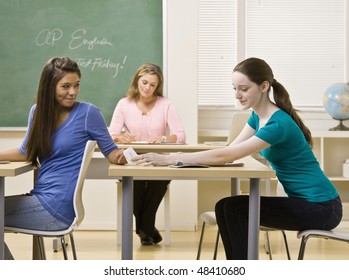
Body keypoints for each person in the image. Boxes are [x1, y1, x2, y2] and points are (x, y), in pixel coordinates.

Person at [131, 57, 342, 259]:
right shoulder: (257, 117)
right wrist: (181, 158)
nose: (237, 95)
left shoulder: (278, 124)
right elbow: (231, 149)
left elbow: (226, 155)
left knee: (234, 208)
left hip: (322, 208)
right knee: (224, 206)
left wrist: (170, 159)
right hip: (307, 203)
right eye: (235, 88)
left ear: (264, 86)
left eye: (244, 89)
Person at [0, 57, 126, 259]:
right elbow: (25, 151)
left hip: (56, 208)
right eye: (66, 86)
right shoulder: (38, 112)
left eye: (76, 85)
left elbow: (111, 152)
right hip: (40, 198)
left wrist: (122, 156)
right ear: (49, 87)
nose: (73, 92)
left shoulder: (88, 113)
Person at [109, 63, 186, 245]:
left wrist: (164, 139)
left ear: (157, 86)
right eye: (144, 82)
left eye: (153, 85)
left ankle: (145, 230)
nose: (147, 88)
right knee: (132, 184)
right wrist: (120, 137)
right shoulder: (124, 104)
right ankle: (148, 230)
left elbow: (181, 136)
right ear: (137, 81)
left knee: (156, 184)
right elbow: (111, 134)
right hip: (131, 161)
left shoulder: (165, 105)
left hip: (158, 161)